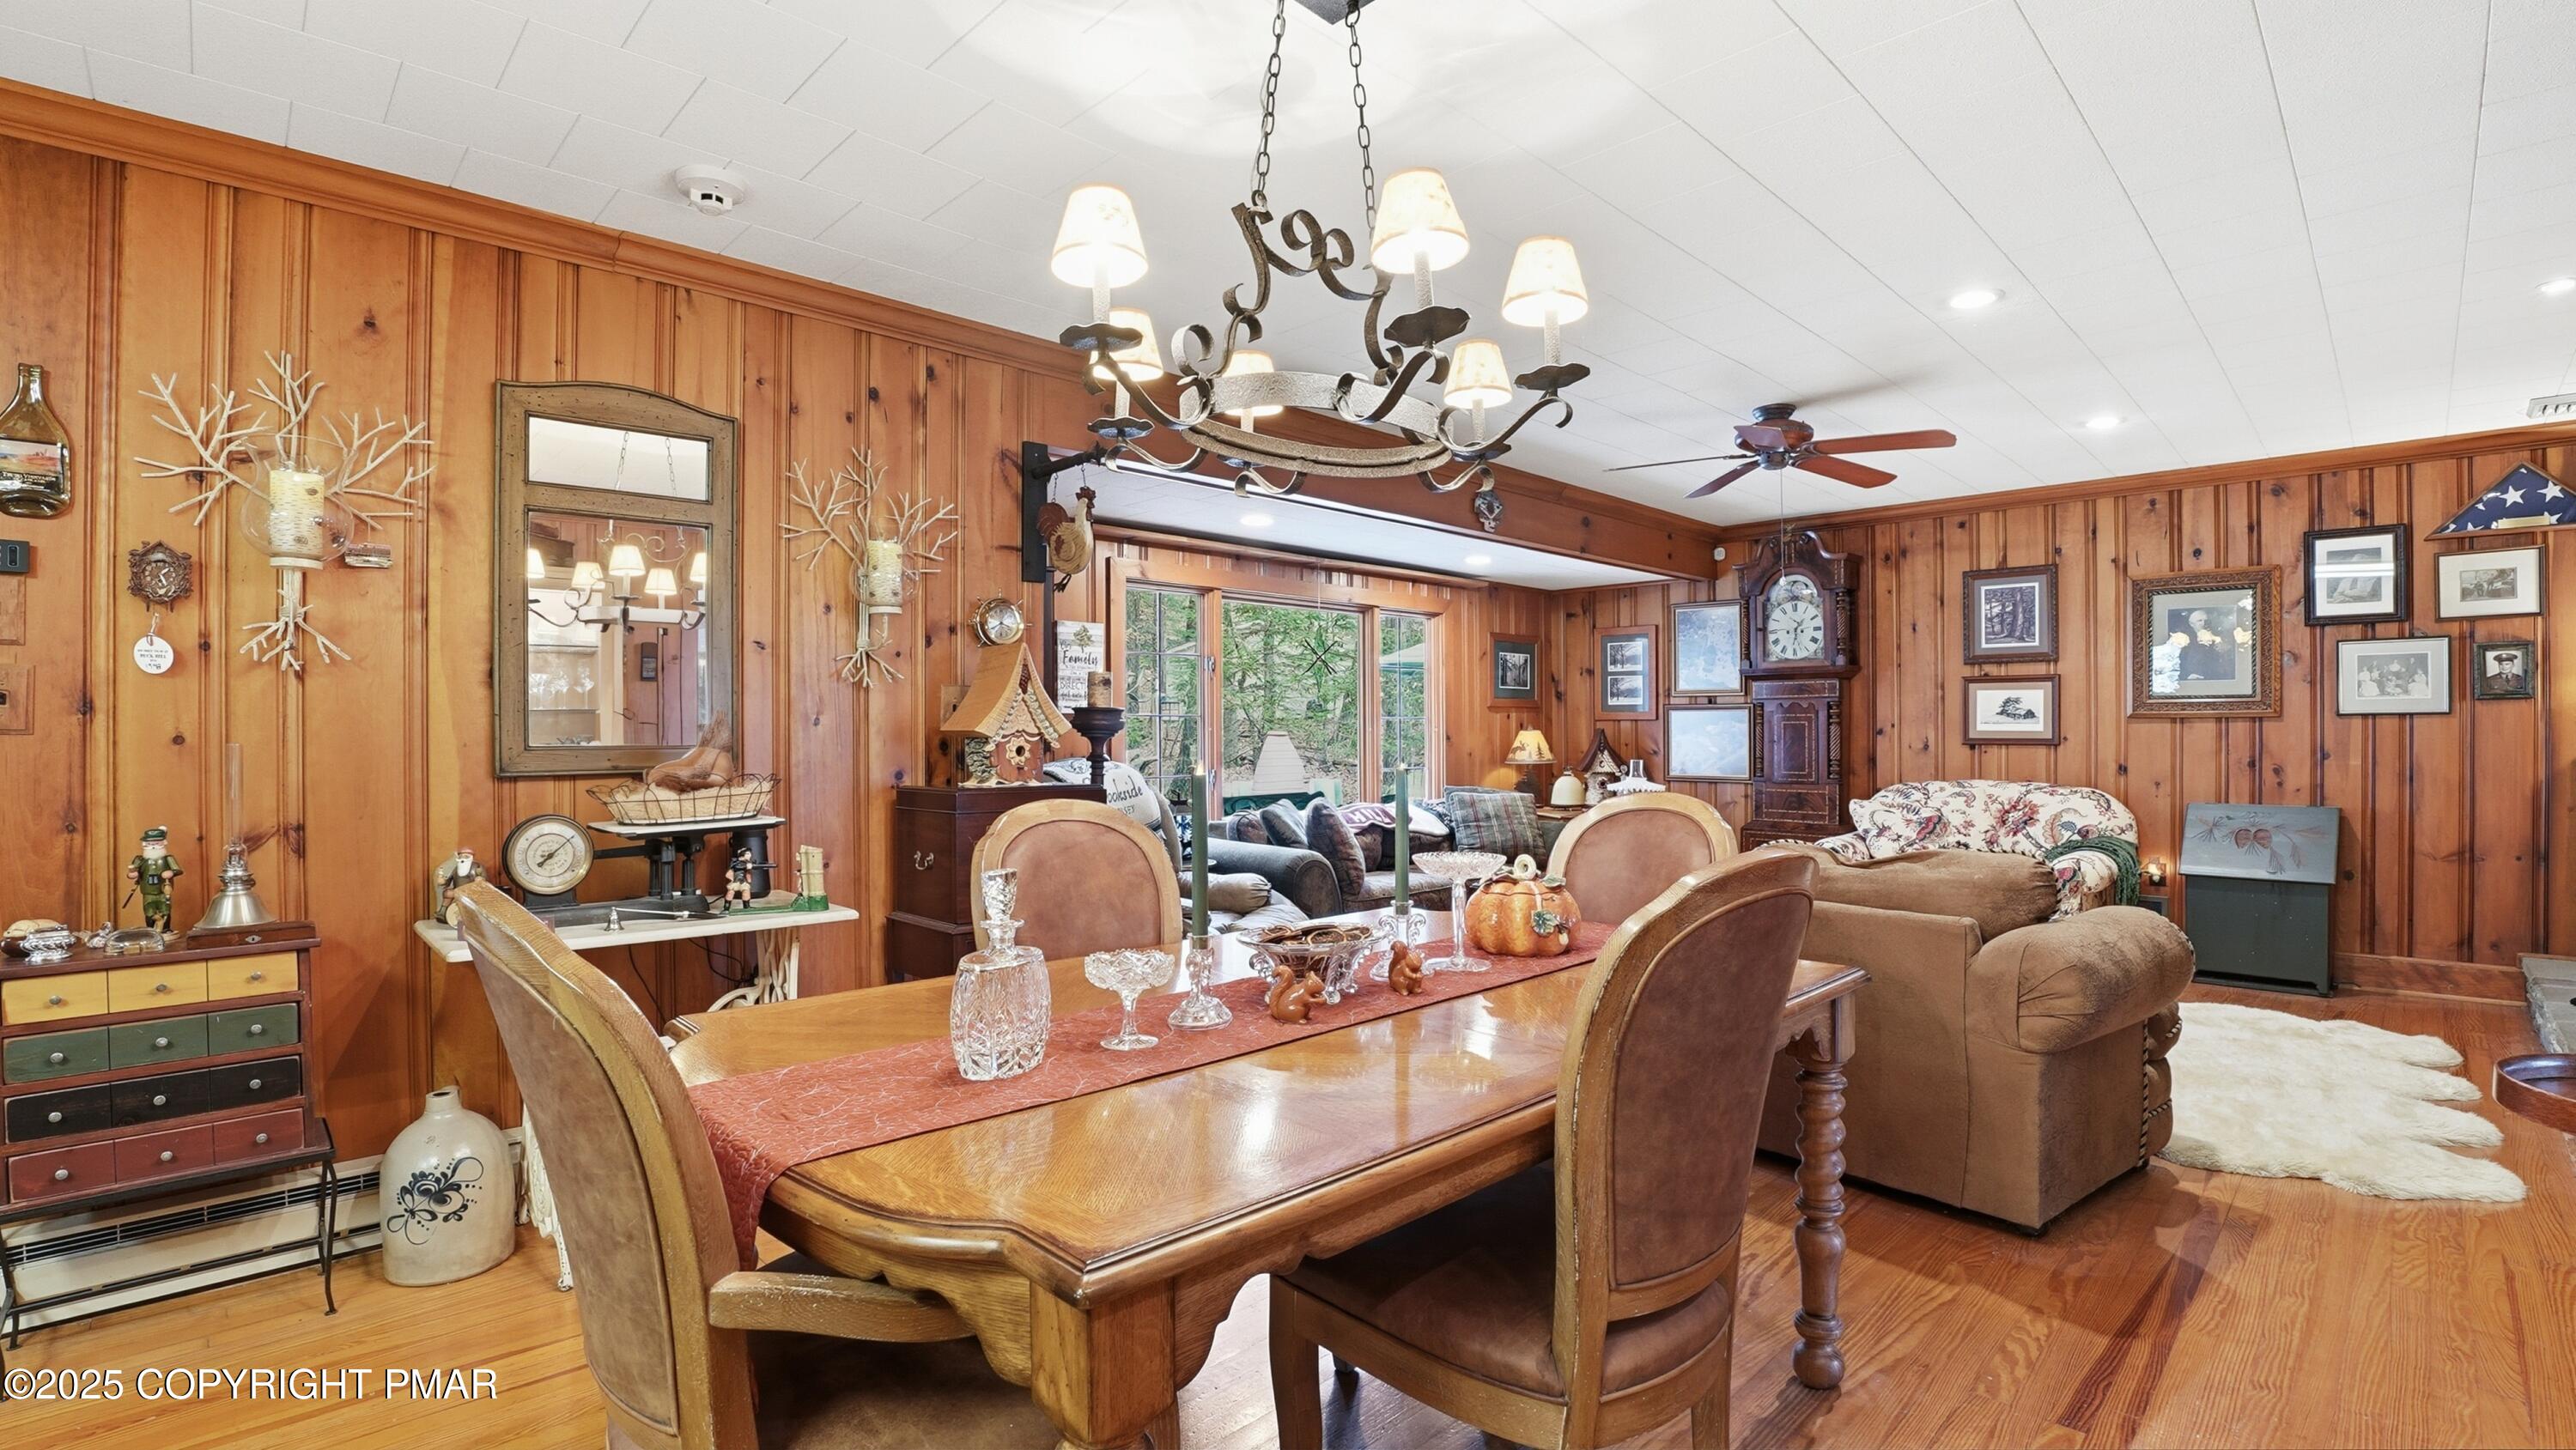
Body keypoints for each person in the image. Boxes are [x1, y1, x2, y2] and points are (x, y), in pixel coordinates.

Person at [126, 825, 184, 933]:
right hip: (148, 892)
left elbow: (178, 870)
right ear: (144, 844)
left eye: (156, 843)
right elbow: (132, 872)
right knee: (149, 911)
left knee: (165, 909)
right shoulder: (140, 859)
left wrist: (171, 872)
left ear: (163, 843)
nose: (153, 846)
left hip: (163, 890)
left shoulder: (168, 859)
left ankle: (166, 929)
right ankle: (151, 930)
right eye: (149, 844)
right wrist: (132, 875)